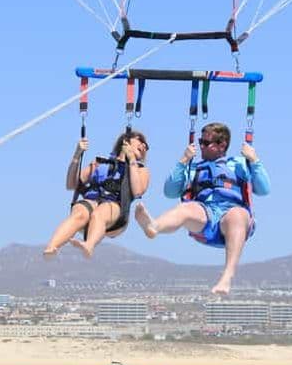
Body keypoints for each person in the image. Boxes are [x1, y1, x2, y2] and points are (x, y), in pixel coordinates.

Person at [134, 122, 270, 294]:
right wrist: (183, 160)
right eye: (201, 142)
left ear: (222, 145)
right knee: (186, 208)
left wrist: (254, 160)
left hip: (233, 217)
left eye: (206, 143)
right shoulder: (194, 168)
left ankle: (226, 277)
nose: (201, 147)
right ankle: (154, 226)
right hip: (205, 216)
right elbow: (170, 191)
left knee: (237, 214)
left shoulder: (240, 164)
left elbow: (264, 189)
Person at [44, 130, 150, 259]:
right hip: (91, 203)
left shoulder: (140, 170)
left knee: (100, 212)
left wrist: (132, 160)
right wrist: (77, 155)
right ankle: (52, 247)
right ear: (125, 141)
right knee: (80, 212)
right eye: (140, 141)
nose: (144, 146)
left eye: (146, 146)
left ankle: (89, 245)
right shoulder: (100, 162)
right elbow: (71, 185)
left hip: (116, 212)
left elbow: (138, 190)